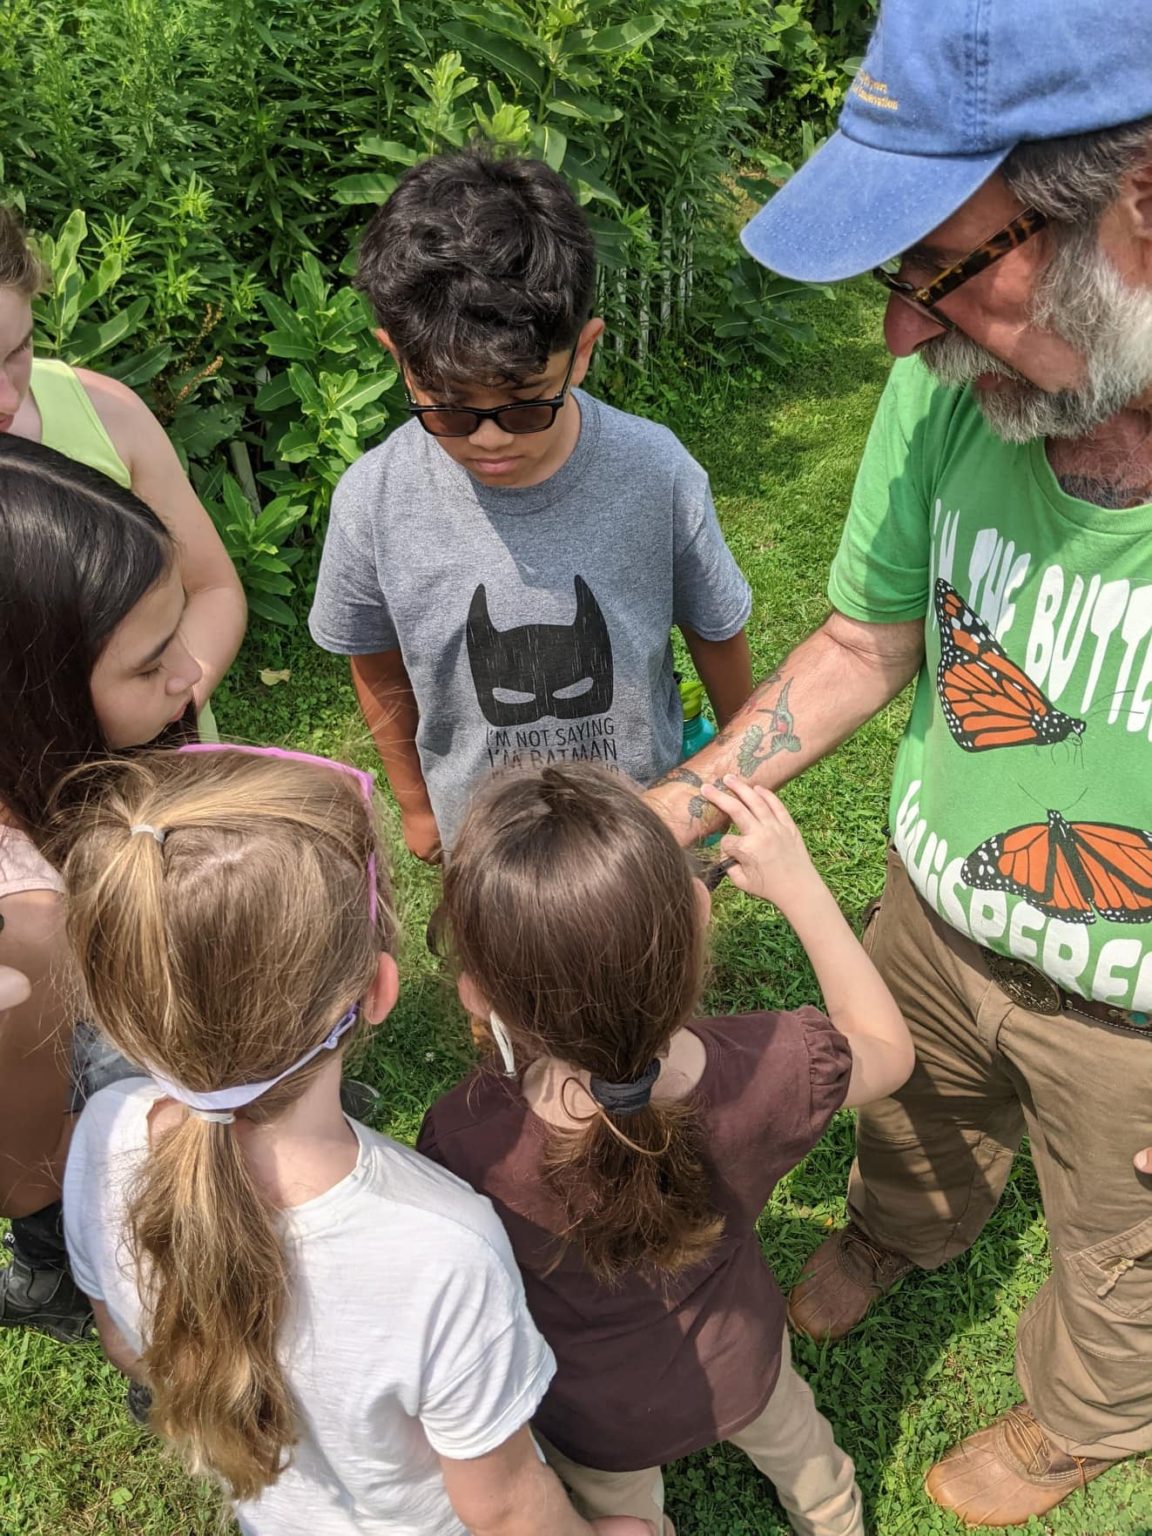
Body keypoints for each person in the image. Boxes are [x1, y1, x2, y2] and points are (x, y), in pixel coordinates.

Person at [647, 0, 1152, 1523]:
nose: (898, 333)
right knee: (913, 1115)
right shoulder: (950, 389)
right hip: (934, 917)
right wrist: (667, 810)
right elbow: (869, 645)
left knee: (1119, 1253)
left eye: (941, 273)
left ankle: (1084, 1419)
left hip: (1135, 1027)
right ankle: (904, 1231)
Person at [59, 745, 653, 1536]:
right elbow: (505, 1505)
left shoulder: (103, 1138)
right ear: (378, 991)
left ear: (125, 1007)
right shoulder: (444, 1248)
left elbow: (125, 1340)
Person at [417, 764, 914, 1535]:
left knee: (625, 1515)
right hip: (746, 1361)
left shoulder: (463, 1139)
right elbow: (888, 1050)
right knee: (808, 1460)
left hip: (593, 1416)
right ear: (698, 917)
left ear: (478, 993)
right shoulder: (775, 1067)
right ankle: (835, 1519)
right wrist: (804, 892)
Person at [308, 148, 753, 863]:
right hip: (484, 852)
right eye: (448, 409)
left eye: (522, 407)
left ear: (582, 353)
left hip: (644, 833)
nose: (488, 441)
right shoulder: (373, 499)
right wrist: (417, 806)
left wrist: (742, 769)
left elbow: (715, 627)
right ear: (396, 356)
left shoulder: (654, 470)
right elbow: (374, 661)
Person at [0, 435, 203, 1342]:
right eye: (150, 661)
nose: (191, 675)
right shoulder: (28, 925)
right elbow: (24, 1167)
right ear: (34, 687)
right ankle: (56, 1278)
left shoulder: (51, 767)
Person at [0, 206, 245, 724]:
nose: (6, 397)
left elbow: (214, 588)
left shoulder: (104, 414)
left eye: (18, 349)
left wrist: (166, 720)